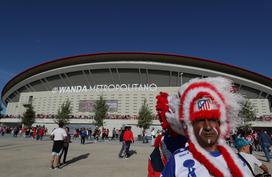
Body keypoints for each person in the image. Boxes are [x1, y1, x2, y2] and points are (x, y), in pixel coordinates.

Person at [161, 77, 253, 177]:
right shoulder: (177, 160)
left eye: (213, 119)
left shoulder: (240, 162)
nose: (208, 127)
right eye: (200, 120)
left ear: (220, 124)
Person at [147, 92, 187, 177]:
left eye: (162, 113)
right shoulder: (161, 144)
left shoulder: (193, 140)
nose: (159, 117)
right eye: (159, 113)